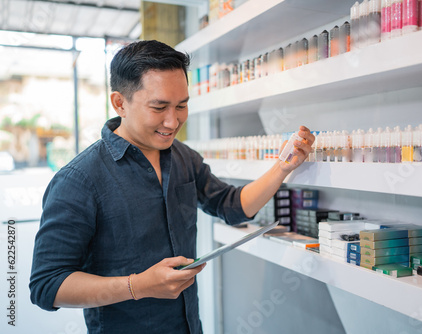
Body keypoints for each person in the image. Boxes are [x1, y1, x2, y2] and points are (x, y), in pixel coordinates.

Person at [29, 40, 315, 334]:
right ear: (119, 103)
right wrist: (138, 285)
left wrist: (283, 166)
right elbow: (47, 285)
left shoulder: (182, 156)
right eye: (159, 107)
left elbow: (232, 206)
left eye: (182, 105)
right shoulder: (79, 179)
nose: (173, 120)